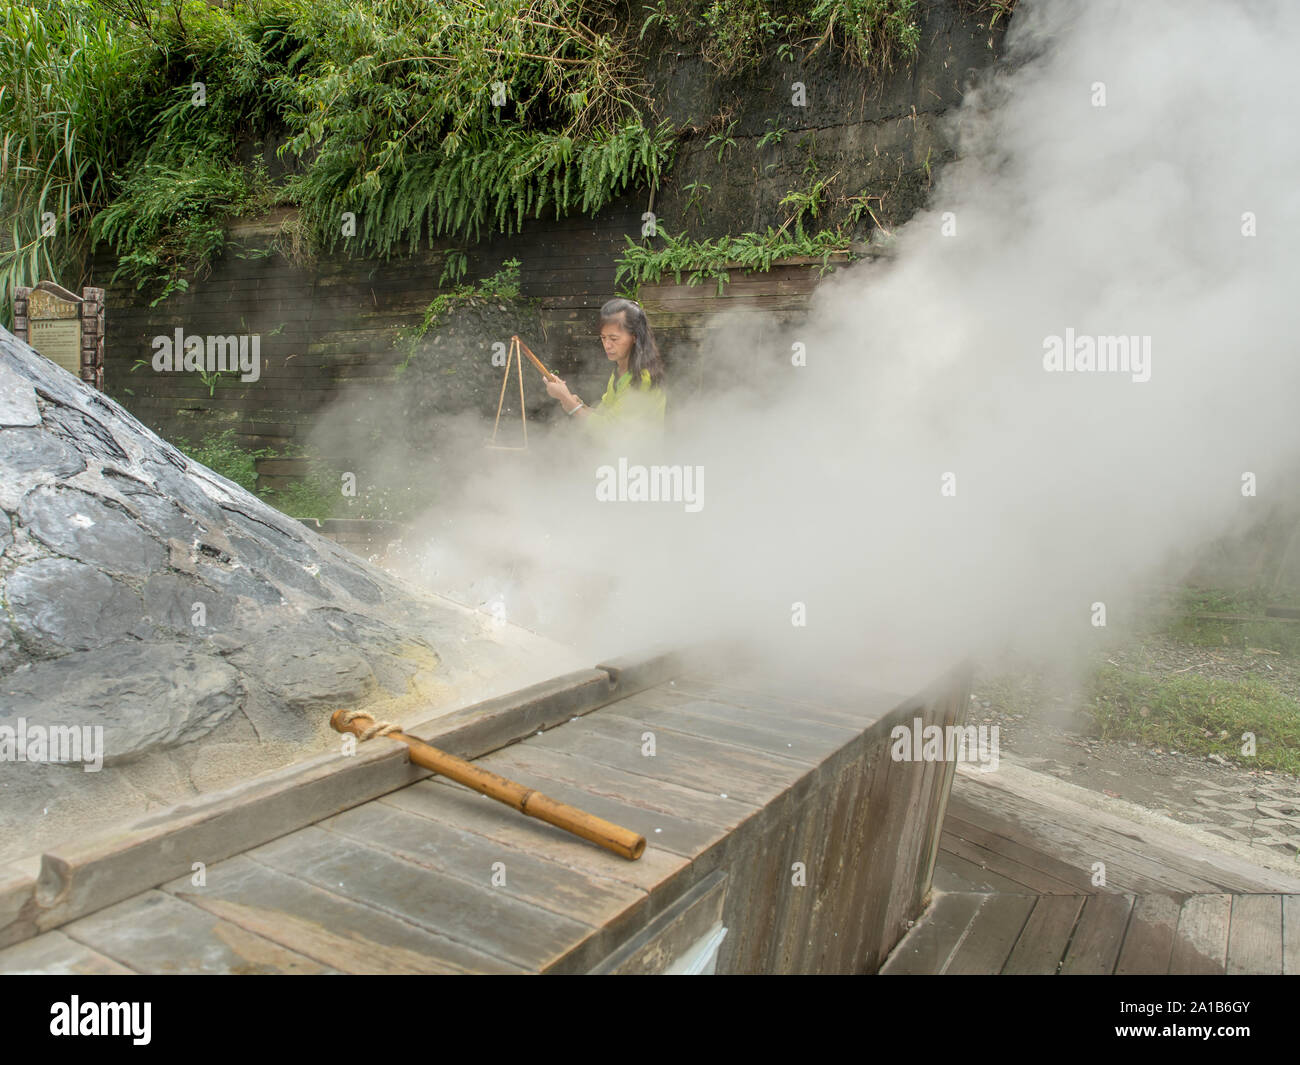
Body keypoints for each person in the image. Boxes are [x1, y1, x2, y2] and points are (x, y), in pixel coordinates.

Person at [545, 298, 666, 440]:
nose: (607, 345)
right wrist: (578, 405)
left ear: (635, 337)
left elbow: (610, 430)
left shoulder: (643, 378)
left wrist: (569, 402)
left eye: (614, 339)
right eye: (603, 338)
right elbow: (605, 414)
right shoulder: (620, 371)